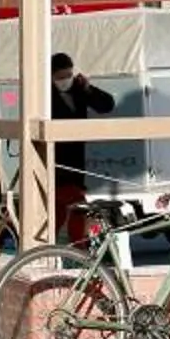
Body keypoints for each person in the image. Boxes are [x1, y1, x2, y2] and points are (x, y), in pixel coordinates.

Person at [50, 53, 115, 241]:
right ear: (52, 76)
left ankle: (65, 248)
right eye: (60, 77)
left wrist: (88, 88)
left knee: (62, 209)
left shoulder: (78, 88)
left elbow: (107, 105)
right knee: (74, 206)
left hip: (76, 162)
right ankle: (78, 249)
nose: (65, 81)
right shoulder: (45, 94)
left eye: (68, 75)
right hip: (56, 162)